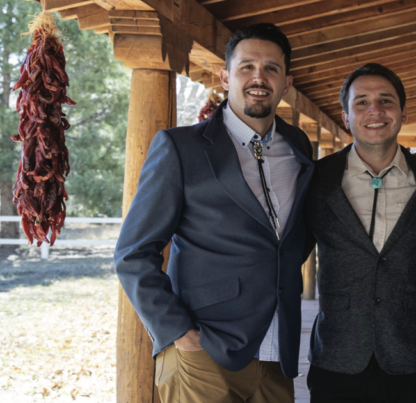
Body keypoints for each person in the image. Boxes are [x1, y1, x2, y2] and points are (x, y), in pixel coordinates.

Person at [113, 23, 314, 403]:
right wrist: (179, 332)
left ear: (287, 83)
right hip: (203, 351)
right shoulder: (179, 147)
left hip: (277, 351)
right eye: (246, 66)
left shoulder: (298, 145)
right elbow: (132, 254)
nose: (259, 78)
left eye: (271, 68)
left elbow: (291, 239)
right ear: (225, 77)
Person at [304, 63, 416, 402]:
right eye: (361, 102)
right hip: (338, 355)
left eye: (386, 100)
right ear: (346, 117)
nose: (374, 110)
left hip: (412, 357)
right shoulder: (315, 179)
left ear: (403, 113)